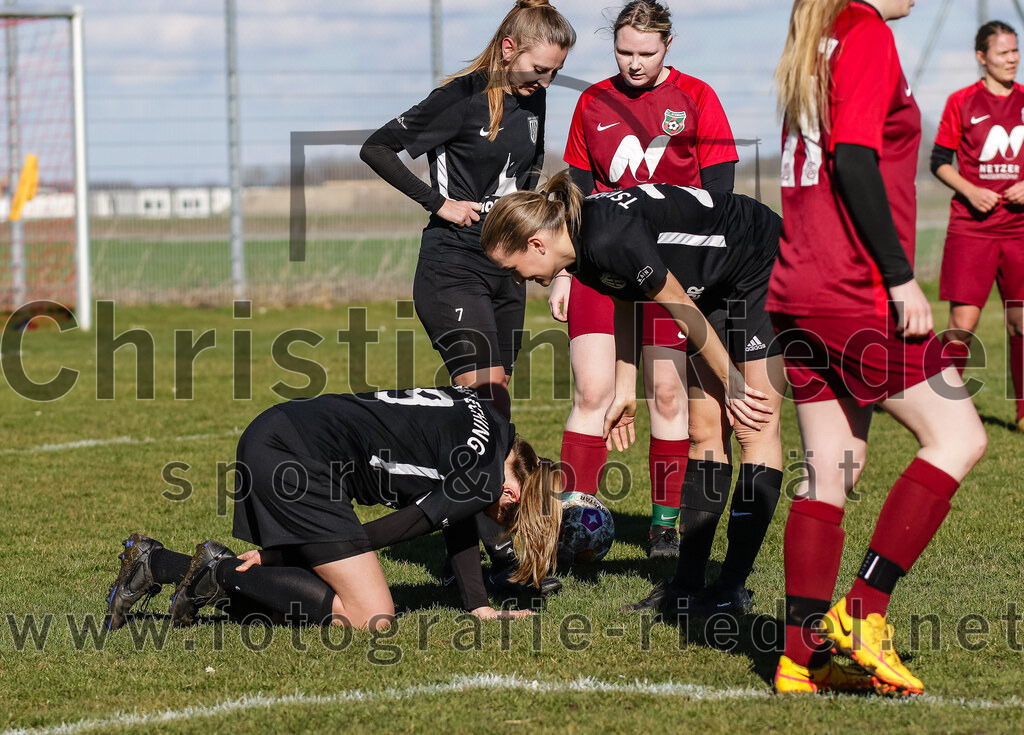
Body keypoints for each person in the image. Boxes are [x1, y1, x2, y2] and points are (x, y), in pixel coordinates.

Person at [769, 0, 987, 695]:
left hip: (797, 285)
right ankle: (863, 613)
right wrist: (898, 276)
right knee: (958, 437)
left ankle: (799, 659)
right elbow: (855, 158)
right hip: (850, 286)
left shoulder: (816, 34)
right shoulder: (861, 32)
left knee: (832, 468)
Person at [480, 173, 784, 617]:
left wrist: (733, 380)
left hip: (760, 262)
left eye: (513, 269)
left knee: (754, 424)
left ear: (536, 244)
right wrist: (625, 388)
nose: (515, 279)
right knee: (703, 429)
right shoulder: (580, 248)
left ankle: (731, 588)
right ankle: (685, 586)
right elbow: (628, 297)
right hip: (715, 285)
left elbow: (679, 306)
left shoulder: (605, 233)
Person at [554, 2, 778, 583]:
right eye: (623, 51)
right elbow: (575, 197)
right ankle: (569, 522)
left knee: (676, 396)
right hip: (610, 261)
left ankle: (667, 527)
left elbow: (719, 200)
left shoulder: (698, 98)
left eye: (645, 53)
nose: (632, 63)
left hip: (685, 267)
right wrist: (562, 272)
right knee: (596, 389)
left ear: (668, 45)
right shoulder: (592, 102)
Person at [359, 0, 574, 590]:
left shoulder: (535, 100)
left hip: (506, 272)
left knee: (495, 417)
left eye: (554, 72)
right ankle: (490, 557)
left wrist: (552, 264)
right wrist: (439, 203)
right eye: (539, 69)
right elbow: (376, 147)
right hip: (452, 267)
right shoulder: (458, 96)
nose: (545, 82)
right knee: (483, 399)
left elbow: (525, 186)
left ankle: (481, 551)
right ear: (509, 48)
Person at [104, 385, 562, 632]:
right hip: (298, 460)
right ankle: (209, 572)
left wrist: (477, 605)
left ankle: (158, 563)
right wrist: (281, 554)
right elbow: (394, 530)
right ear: (512, 494)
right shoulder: (483, 477)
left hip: (280, 431)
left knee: (305, 591)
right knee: (372, 616)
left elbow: (453, 514)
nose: (499, 525)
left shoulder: (490, 419)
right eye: (510, 522)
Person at [932, 20, 1024, 432]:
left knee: (1021, 320)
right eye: (1004, 52)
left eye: (1016, 51)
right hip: (972, 228)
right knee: (962, 327)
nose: (1013, 60)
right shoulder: (962, 102)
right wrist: (971, 191)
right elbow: (939, 160)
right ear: (981, 57)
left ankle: (1023, 412)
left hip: (1019, 230)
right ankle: (947, 414)